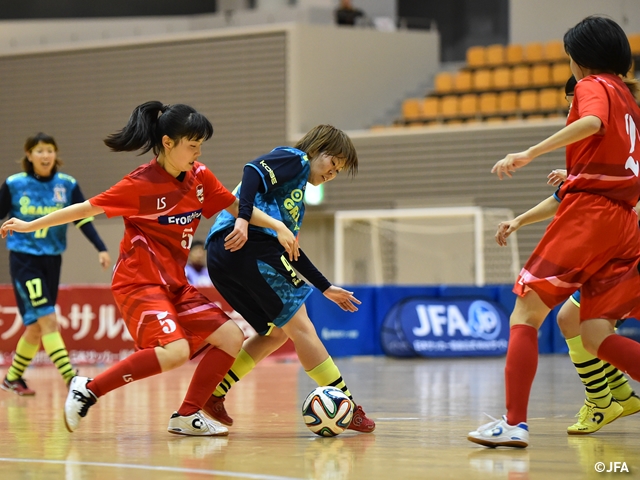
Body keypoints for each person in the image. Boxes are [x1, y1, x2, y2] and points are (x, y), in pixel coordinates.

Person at [1, 101, 297, 436]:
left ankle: (187, 414)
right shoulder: (140, 184)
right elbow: (85, 208)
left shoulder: (200, 177)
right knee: (175, 352)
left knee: (231, 337)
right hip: (138, 282)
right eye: (192, 145)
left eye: (201, 145)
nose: (198, 152)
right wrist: (29, 225)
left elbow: (234, 205)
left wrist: (276, 226)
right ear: (168, 142)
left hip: (174, 284)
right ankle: (88, 389)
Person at [467, 16, 640, 448]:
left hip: (592, 217)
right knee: (597, 335)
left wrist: (530, 151)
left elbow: (593, 123)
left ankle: (513, 423)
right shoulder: (632, 103)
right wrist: (581, 172)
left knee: (526, 313)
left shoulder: (593, 85)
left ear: (580, 59)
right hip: (624, 221)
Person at [201, 124, 375, 433]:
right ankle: (348, 407)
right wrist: (242, 220)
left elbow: (290, 251)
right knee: (302, 327)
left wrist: (325, 286)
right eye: (332, 164)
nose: (332, 173)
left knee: (275, 334)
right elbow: (252, 170)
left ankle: (214, 394)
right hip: (246, 245)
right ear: (317, 149)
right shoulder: (296, 159)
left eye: (338, 171)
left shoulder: (294, 199)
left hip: (224, 255)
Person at [0, 132, 111, 396]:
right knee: (48, 320)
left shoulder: (67, 184)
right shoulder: (15, 184)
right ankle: (72, 379)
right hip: (25, 260)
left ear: (55, 154)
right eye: (39, 151)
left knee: (36, 327)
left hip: (52, 260)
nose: (45, 155)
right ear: (29, 155)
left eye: (49, 150)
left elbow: (83, 218)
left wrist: (101, 247)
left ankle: (12, 378)